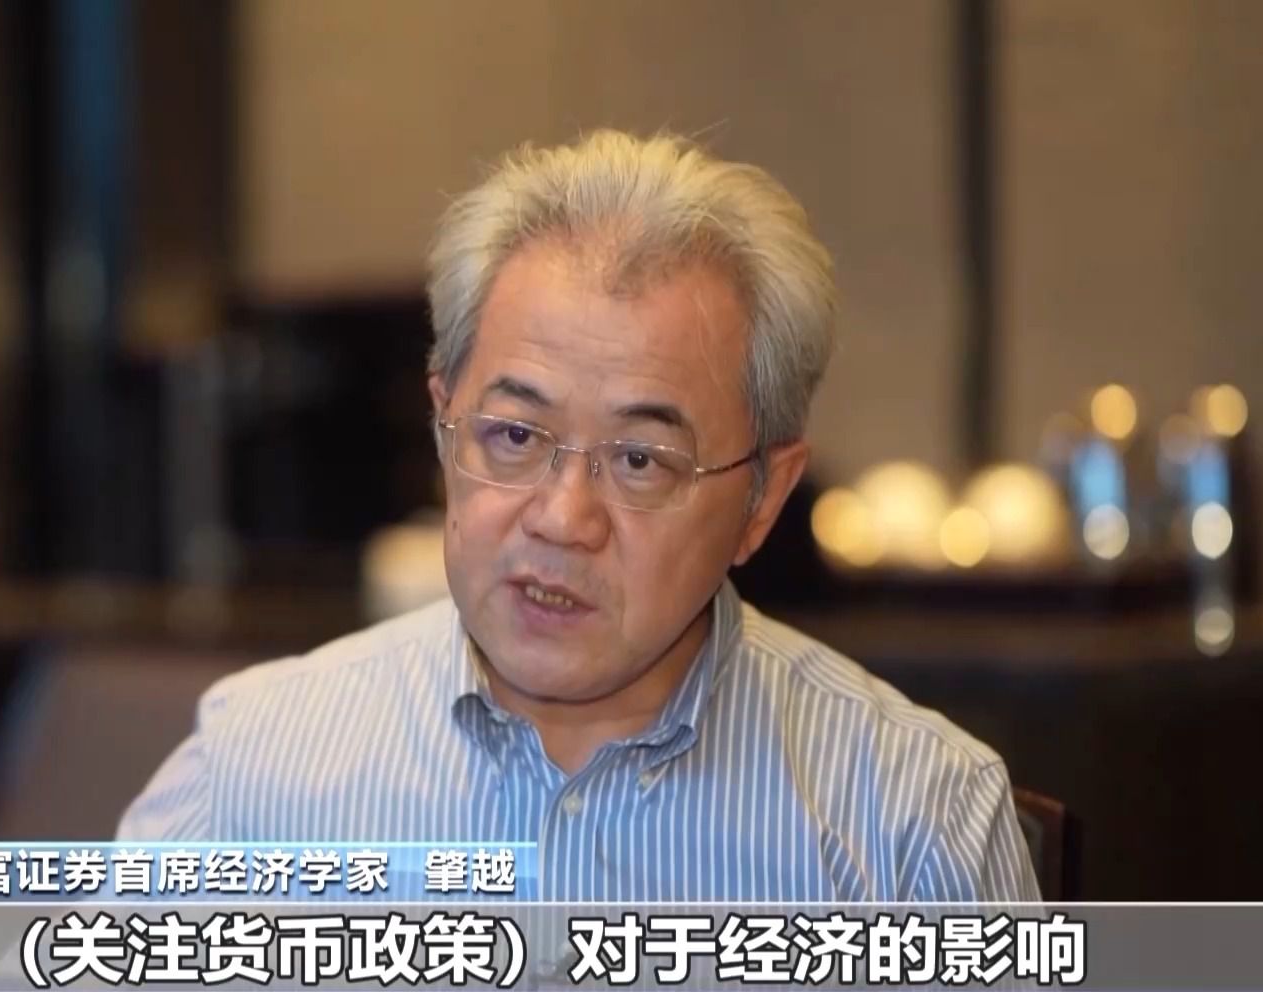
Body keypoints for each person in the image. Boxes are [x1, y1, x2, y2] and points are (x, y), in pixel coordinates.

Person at [118, 130, 1040, 902]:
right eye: (515, 436)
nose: (562, 520)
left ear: (762, 498)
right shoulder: (252, 772)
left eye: (640, 460)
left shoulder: (914, 823)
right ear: (443, 424)